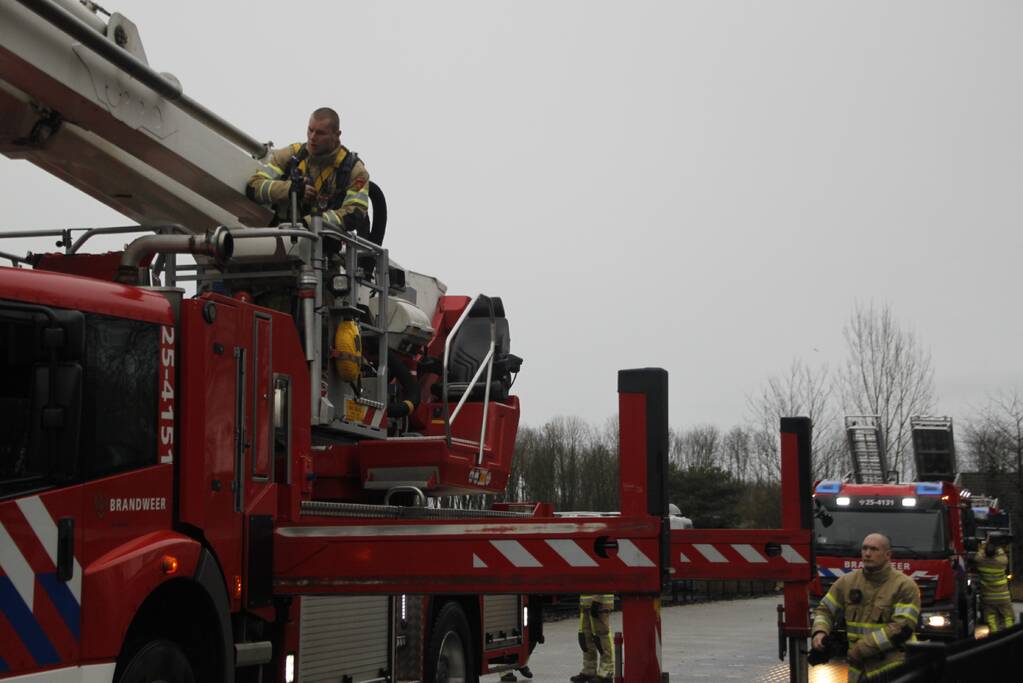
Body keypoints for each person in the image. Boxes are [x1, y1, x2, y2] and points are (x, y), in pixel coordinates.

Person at [811, 533, 921, 682]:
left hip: (894, 668)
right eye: (864, 548)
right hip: (859, 669)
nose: (867, 554)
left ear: (888, 555)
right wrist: (820, 632)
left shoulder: (904, 586)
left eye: (874, 549)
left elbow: (902, 628)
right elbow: (825, 610)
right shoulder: (846, 582)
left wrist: (860, 649)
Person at [247, 107, 370, 236]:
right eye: (310, 130)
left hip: (324, 248)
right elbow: (253, 187)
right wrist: (290, 189)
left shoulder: (354, 171)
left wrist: (311, 223)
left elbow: (354, 213)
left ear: (337, 135)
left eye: (320, 133)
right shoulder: (291, 155)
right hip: (281, 238)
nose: (312, 137)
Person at [974, 535, 1015, 633]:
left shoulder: (980, 561)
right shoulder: (1002, 561)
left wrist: (984, 545)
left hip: (988, 598)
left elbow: (978, 556)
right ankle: (1009, 634)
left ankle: (994, 636)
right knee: (1008, 617)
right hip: (1003, 597)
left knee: (991, 618)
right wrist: (997, 546)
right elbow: (1002, 554)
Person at [571, 594, 614, 683]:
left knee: (602, 638)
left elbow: (604, 580)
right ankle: (589, 670)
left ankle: (606, 673)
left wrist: (598, 599)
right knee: (586, 639)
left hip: (600, 603)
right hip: (585, 605)